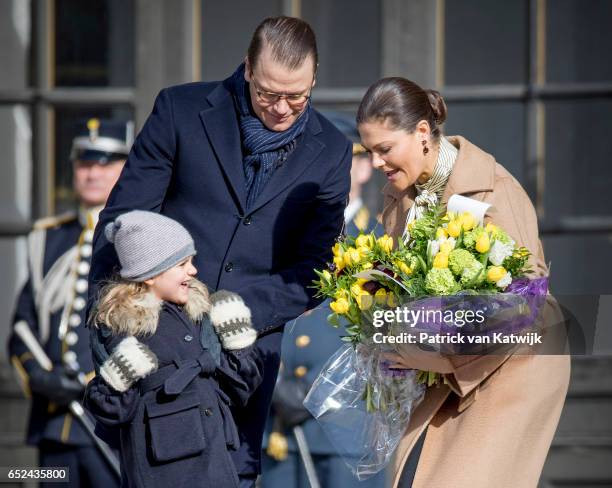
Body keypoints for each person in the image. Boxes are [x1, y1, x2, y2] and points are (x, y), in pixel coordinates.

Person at [87, 16, 352, 487]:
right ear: (248, 68)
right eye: (269, 94)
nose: (283, 109)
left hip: (243, 350)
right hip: (159, 340)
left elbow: (319, 265)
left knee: (236, 473)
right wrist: (109, 326)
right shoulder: (181, 110)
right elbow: (121, 223)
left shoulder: (330, 149)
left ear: (314, 79)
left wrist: (237, 313)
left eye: (298, 95)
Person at [356, 77, 570, 488]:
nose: (377, 161)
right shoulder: (402, 196)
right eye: (370, 151)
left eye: (385, 149)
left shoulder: (493, 189)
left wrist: (427, 345)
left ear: (422, 133)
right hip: (446, 371)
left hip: (514, 370)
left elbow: (527, 302)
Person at [84, 210, 263, 487]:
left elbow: (240, 389)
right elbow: (113, 413)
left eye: (191, 261)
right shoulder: (120, 323)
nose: (192, 271)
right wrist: (116, 379)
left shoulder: (198, 312)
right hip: (163, 470)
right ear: (150, 274)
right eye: (181, 264)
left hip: (216, 464)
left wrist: (238, 346)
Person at [261, 113, 386, 488]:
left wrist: (314, 387)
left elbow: (387, 336)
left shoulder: (383, 241)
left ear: (364, 167)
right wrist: (271, 380)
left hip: (346, 431)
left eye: (340, 160)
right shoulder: (280, 235)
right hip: (279, 426)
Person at [7, 118, 131, 487]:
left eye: (104, 163)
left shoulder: (135, 235)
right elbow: (22, 325)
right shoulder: (48, 238)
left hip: (109, 424)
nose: (92, 173)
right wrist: (41, 376)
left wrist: (93, 380)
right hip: (54, 426)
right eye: (84, 163)